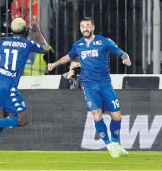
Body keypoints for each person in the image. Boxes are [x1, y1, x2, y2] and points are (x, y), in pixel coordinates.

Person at [48, 17, 132, 158]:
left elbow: (120, 52)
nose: (85, 28)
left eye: (88, 26)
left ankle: (115, 143)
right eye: (82, 26)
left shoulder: (103, 41)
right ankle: (109, 145)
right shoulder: (78, 45)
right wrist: (54, 64)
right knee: (97, 114)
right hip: (89, 86)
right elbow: (67, 57)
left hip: (105, 84)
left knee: (117, 117)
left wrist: (125, 58)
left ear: (93, 27)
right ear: (80, 29)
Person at [0, 17, 48, 159]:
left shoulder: (4, 43)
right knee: (22, 119)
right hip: (9, 85)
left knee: (2, 118)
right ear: (25, 31)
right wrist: (37, 30)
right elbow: (45, 48)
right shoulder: (28, 44)